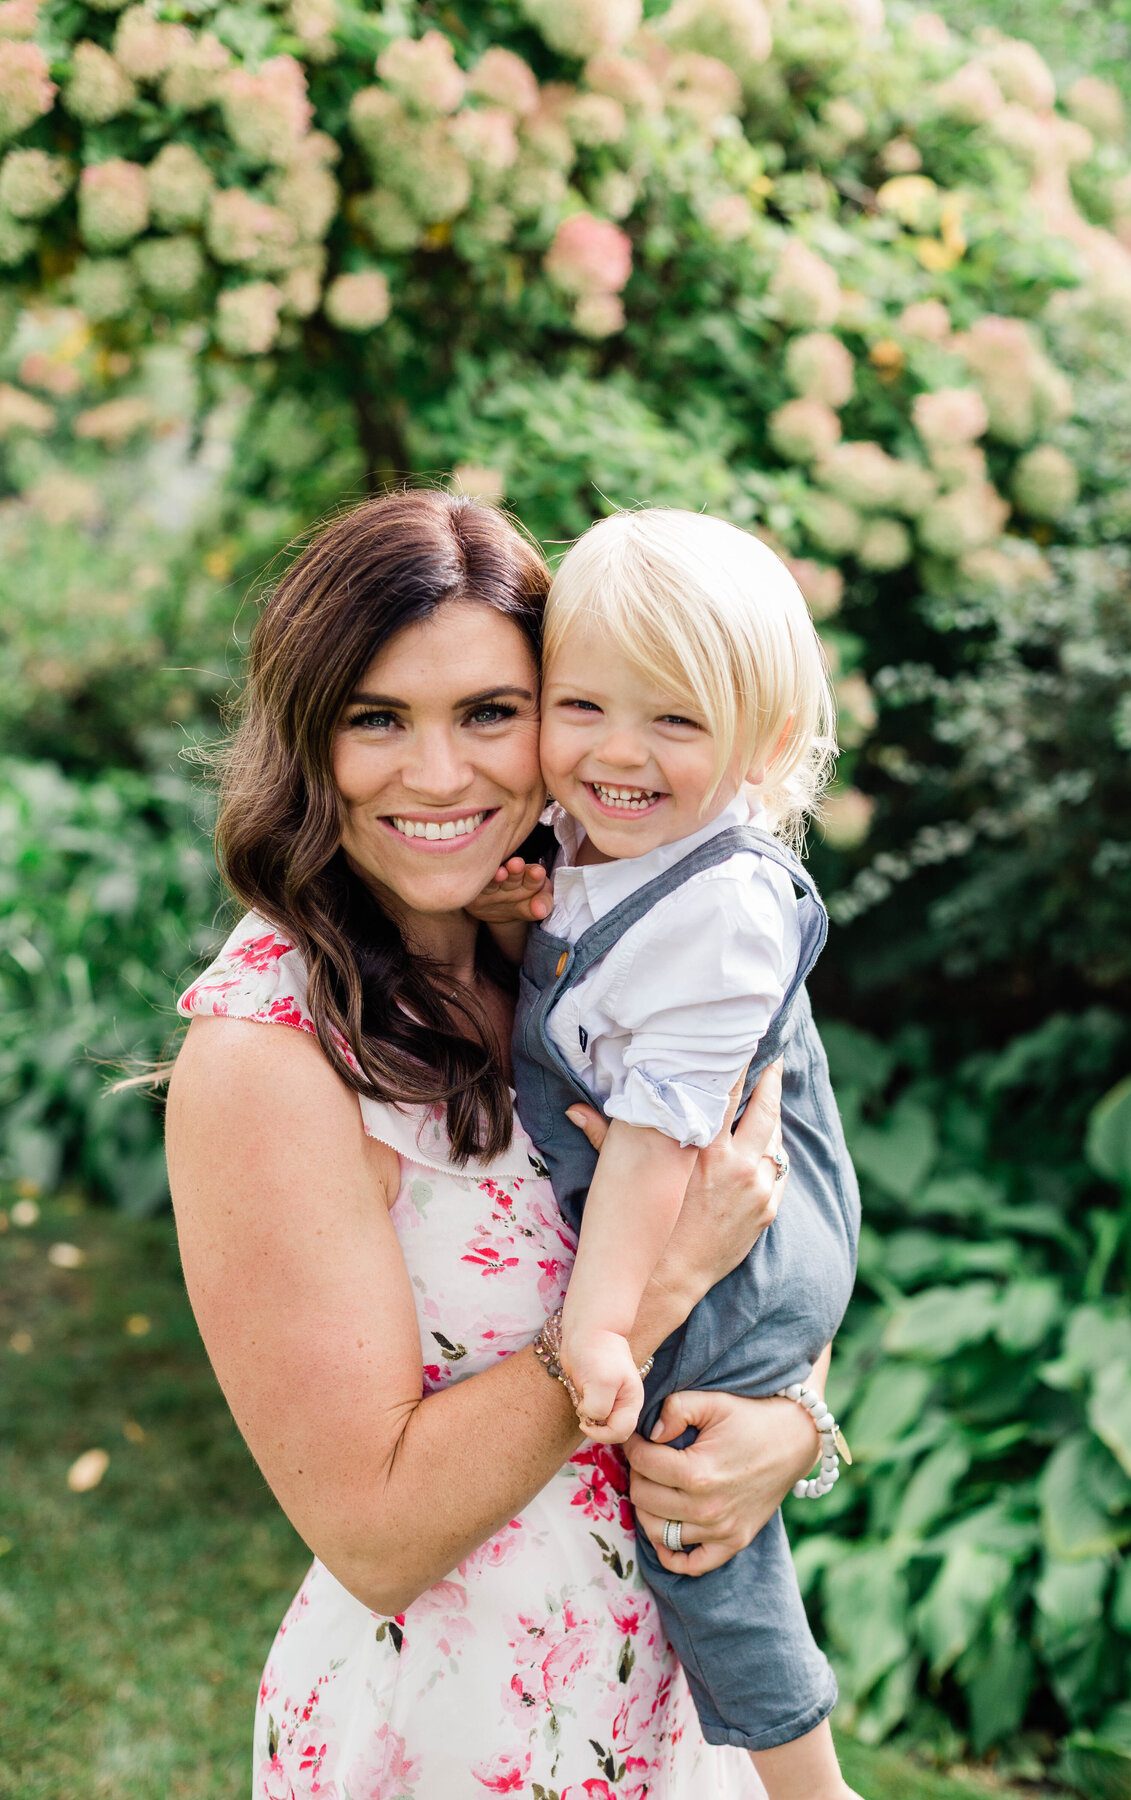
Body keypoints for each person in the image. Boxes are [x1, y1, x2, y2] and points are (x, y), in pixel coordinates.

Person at [165, 489, 841, 1799]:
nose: (441, 774)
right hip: (460, 1727)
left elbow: (776, 1199)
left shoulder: (594, 945)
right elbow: (372, 1530)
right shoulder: (267, 1059)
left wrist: (794, 1419)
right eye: (377, 720)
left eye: (491, 711)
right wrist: (650, 1297)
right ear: (310, 741)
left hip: (676, 1707)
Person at [483, 509, 861, 1799]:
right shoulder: (621, 842)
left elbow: (653, 1152)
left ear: (761, 750)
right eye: (581, 703)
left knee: (694, 1518)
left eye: (677, 722)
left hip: (727, 1235)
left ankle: (810, 1783)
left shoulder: (721, 914)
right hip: (711, 1197)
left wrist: (601, 1332)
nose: (617, 752)